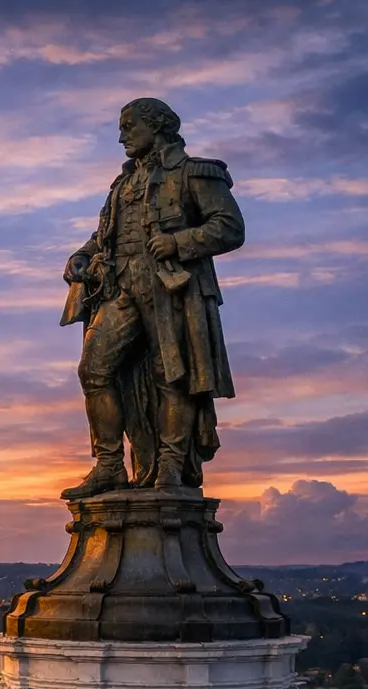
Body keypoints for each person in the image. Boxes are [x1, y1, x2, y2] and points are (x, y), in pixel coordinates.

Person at [60, 98, 244, 499]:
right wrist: (82, 256)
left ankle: (171, 466)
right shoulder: (122, 185)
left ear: (157, 126)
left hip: (171, 288)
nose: (122, 136)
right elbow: (103, 235)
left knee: (171, 376)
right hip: (119, 286)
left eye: (130, 126)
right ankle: (109, 465)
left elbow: (229, 228)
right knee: (94, 370)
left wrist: (178, 241)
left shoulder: (194, 172)